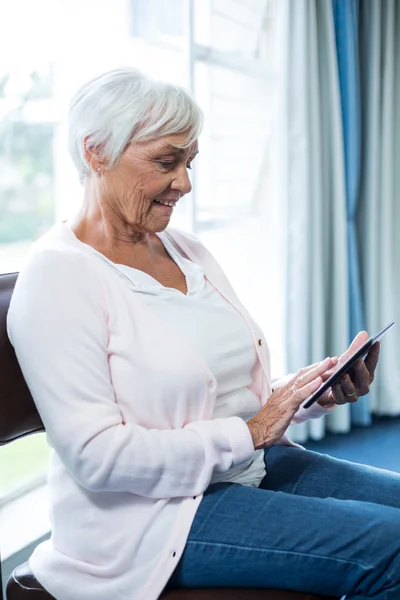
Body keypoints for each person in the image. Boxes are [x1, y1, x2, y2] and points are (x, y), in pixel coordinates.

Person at [7, 67, 400, 600]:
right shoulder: (58, 279)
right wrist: (250, 432)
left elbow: (219, 396)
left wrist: (304, 394)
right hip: (150, 520)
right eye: (167, 162)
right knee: (391, 546)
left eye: (189, 163)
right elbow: (98, 458)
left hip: (247, 468)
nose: (185, 183)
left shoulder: (187, 251)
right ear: (95, 151)